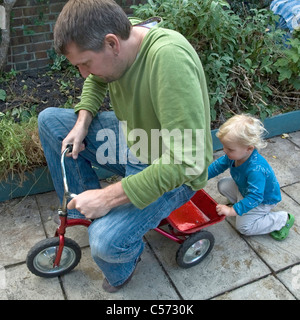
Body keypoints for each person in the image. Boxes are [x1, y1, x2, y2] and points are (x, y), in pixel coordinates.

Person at [38, 0, 212, 292]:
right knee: (50, 122)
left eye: (85, 63)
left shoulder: (169, 60)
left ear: (111, 43)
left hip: (173, 169)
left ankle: (124, 264)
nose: (83, 73)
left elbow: (188, 161)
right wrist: (82, 123)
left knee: (105, 243)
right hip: (136, 139)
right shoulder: (125, 41)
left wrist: (108, 197)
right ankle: (84, 208)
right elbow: (96, 80)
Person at [208, 114, 294, 239]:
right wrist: (202, 177)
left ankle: (282, 219)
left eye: (230, 149)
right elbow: (217, 166)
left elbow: (256, 197)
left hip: (262, 201)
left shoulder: (256, 170)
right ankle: (241, 205)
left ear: (249, 149)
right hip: (246, 190)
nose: (225, 151)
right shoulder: (235, 155)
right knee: (222, 184)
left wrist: (232, 211)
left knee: (243, 227)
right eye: (224, 147)